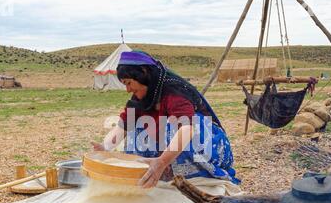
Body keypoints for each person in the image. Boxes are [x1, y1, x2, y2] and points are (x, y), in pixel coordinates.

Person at [92, 51, 240, 189]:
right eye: (125, 84)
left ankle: (187, 174)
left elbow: (187, 129)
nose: (128, 90)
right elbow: (123, 126)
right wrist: (105, 148)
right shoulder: (141, 97)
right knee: (137, 127)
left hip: (208, 147)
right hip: (177, 145)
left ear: (143, 73)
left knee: (172, 125)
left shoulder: (174, 91)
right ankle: (157, 170)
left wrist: (162, 161)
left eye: (129, 83)